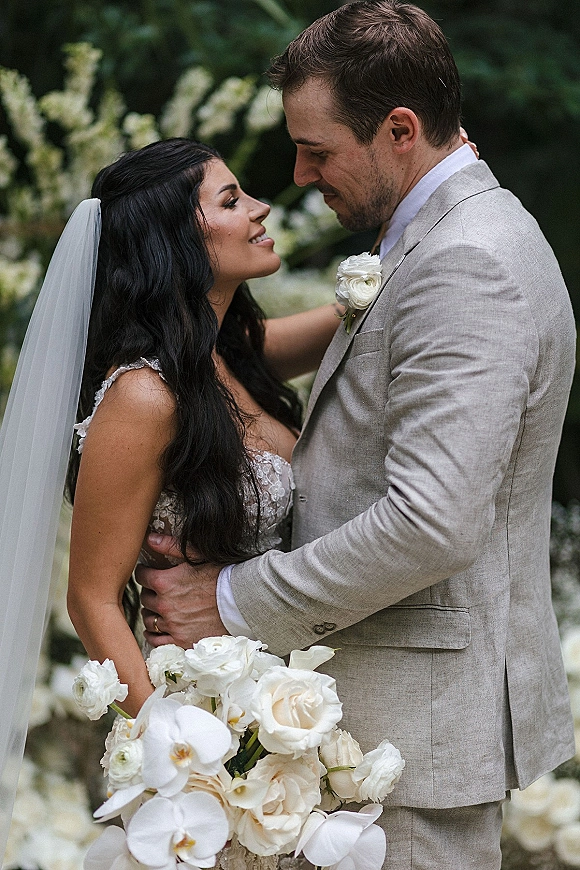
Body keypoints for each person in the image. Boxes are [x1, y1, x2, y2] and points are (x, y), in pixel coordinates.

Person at [137, 2, 577, 869]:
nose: (299, 174)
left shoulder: (466, 265)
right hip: (383, 740)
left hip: (407, 748)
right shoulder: (439, 240)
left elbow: (432, 523)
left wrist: (225, 599)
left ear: (400, 129)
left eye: (319, 149)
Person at [0, 137, 341, 861]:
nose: (260, 208)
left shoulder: (231, 352)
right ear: (177, 245)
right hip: (200, 729)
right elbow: (90, 599)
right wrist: (184, 754)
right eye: (230, 201)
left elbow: (352, 317)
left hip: (281, 714)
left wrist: (400, 271)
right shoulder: (145, 396)